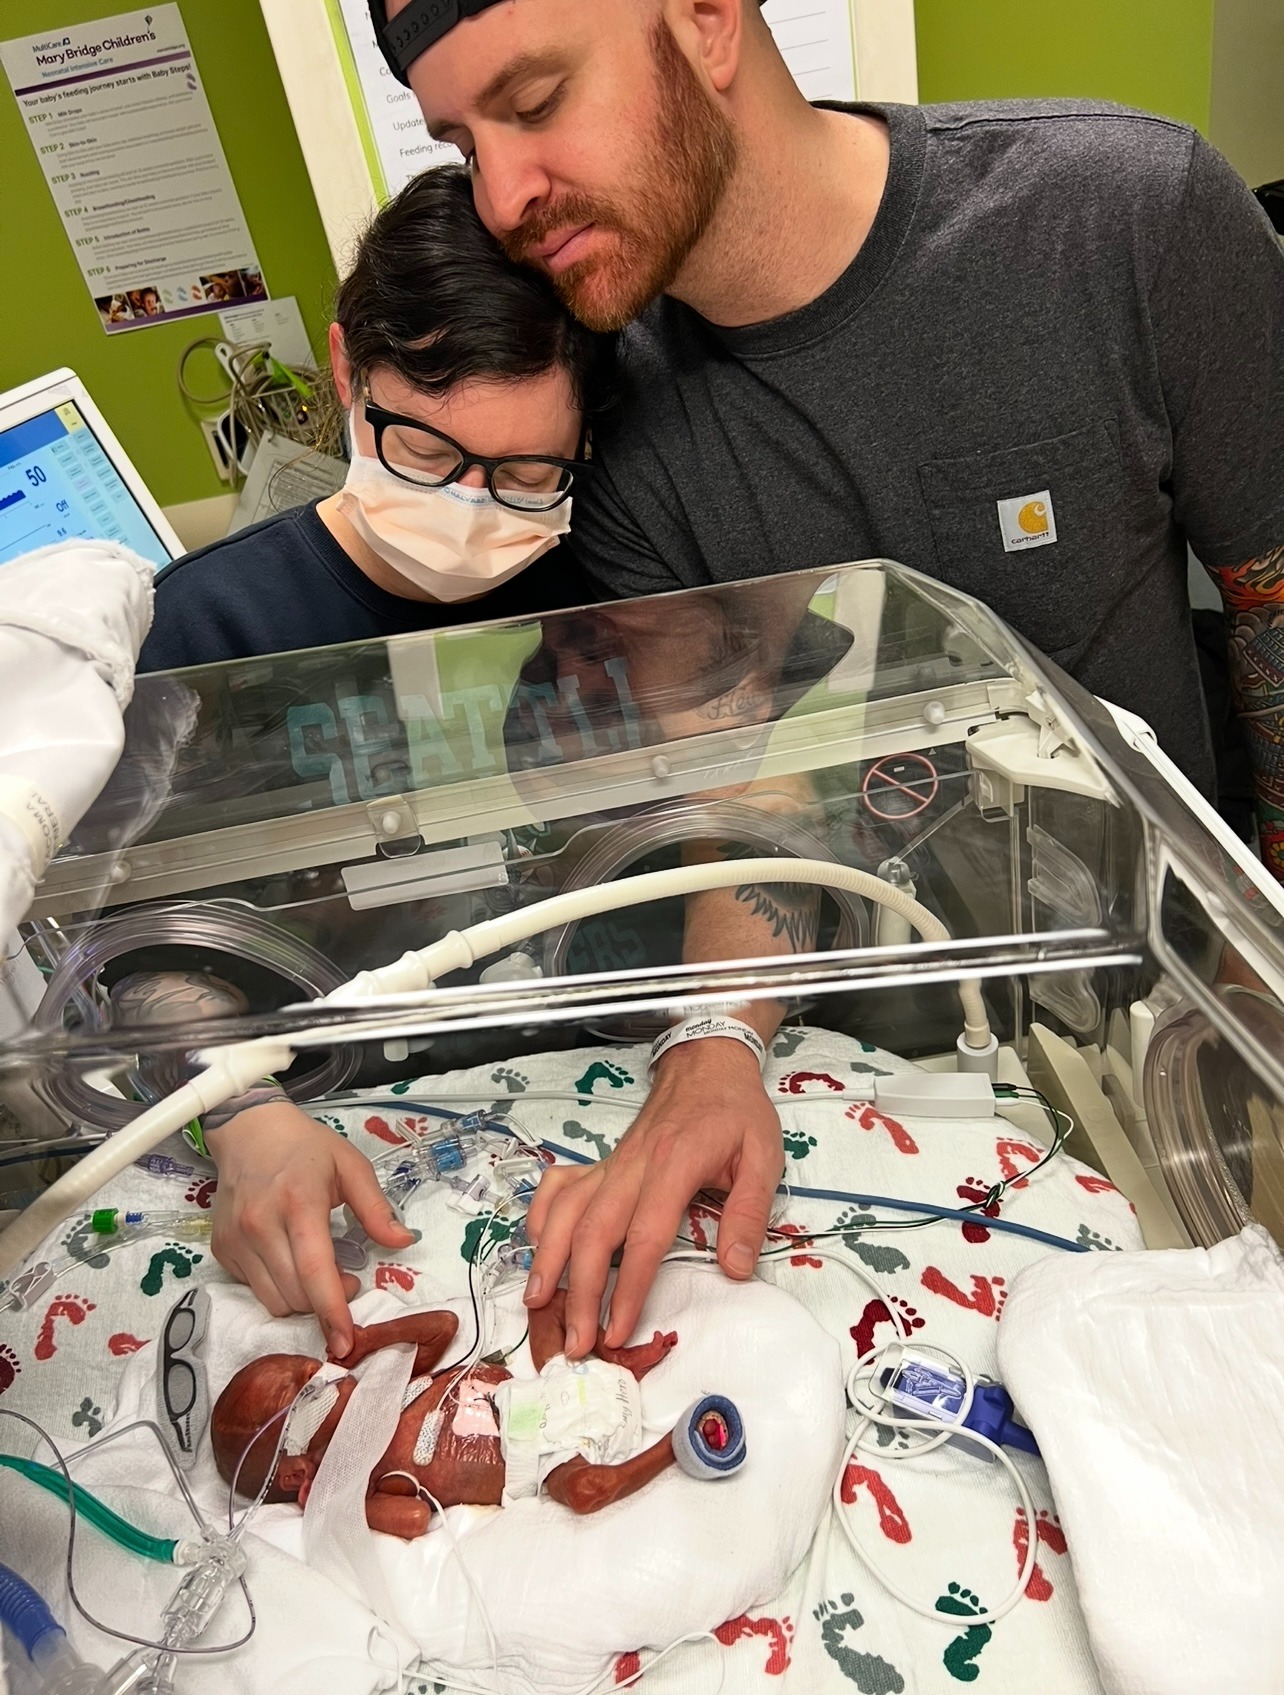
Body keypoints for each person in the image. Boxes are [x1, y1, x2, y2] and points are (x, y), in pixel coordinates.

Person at [370, 0, 1284, 1357]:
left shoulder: (1125, 219)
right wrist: (713, 1047)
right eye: (458, 141)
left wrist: (1261, 971)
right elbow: (747, 777)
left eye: (536, 101)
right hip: (874, 1076)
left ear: (705, 21)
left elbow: (1272, 610)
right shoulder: (619, 416)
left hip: (1165, 1032)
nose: (499, 196)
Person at [139, 164, 613, 672]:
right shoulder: (205, 625)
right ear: (347, 370)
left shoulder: (607, 576)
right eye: (425, 451)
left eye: (527, 473)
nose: (468, 507)